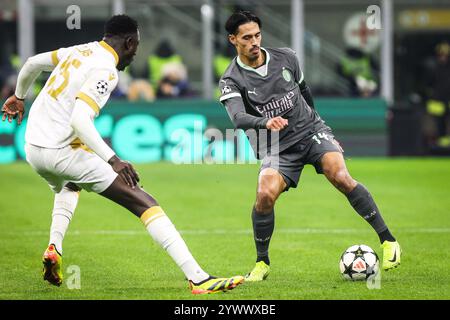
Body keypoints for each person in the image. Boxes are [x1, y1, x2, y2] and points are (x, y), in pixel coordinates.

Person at [1, 15, 243, 294]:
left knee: (69, 184)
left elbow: (31, 63)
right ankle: (199, 278)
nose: (134, 56)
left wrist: (19, 96)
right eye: (135, 48)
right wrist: (113, 160)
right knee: (143, 201)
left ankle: (54, 246)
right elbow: (80, 120)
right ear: (129, 42)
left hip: (33, 148)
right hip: (60, 151)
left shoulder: (78, 50)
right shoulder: (106, 69)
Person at [218, 11, 401, 282]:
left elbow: (305, 91)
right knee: (265, 194)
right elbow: (238, 118)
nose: (254, 42)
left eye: (257, 35)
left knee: (339, 175)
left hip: (312, 132)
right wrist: (265, 122)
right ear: (233, 39)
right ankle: (262, 262)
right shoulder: (231, 79)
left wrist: (320, 127)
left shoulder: (286, 57)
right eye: (247, 38)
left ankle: (388, 241)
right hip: (277, 147)